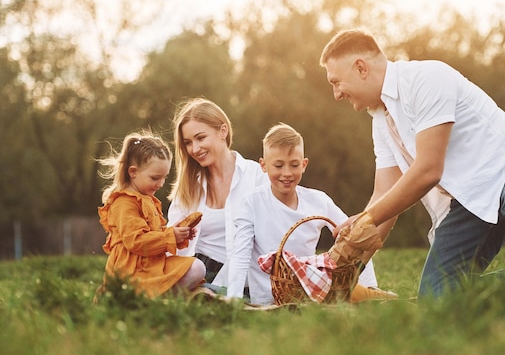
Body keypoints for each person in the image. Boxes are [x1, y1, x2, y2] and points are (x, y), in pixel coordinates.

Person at [319, 29, 505, 298]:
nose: (337, 94)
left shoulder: (427, 78)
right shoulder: (381, 122)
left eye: (336, 82)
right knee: (436, 298)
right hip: (470, 202)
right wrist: (351, 270)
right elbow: (383, 197)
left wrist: (364, 220)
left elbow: (429, 170)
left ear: (361, 67)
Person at [227, 123, 397, 306]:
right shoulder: (251, 202)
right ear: (264, 165)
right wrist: (234, 298)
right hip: (270, 297)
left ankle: (373, 294)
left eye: (294, 165)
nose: (287, 173)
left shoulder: (318, 200)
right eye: (278, 165)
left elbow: (355, 236)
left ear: (304, 164)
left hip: (313, 292)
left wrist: (369, 284)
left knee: (361, 296)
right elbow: (240, 254)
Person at [166, 98, 267, 292]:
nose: (194, 149)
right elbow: (171, 242)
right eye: (188, 143)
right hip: (199, 271)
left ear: (223, 131)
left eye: (201, 138)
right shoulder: (188, 187)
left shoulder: (257, 177)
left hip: (243, 274)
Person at [96, 131, 206, 299]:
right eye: (155, 177)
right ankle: (143, 299)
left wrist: (177, 233)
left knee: (197, 268)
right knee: (197, 268)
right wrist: (169, 236)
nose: (160, 183)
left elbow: (153, 235)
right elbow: (137, 241)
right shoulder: (124, 202)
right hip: (132, 270)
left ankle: (157, 298)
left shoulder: (147, 199)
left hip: (151, 263)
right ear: (133, 172)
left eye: (164, 177)